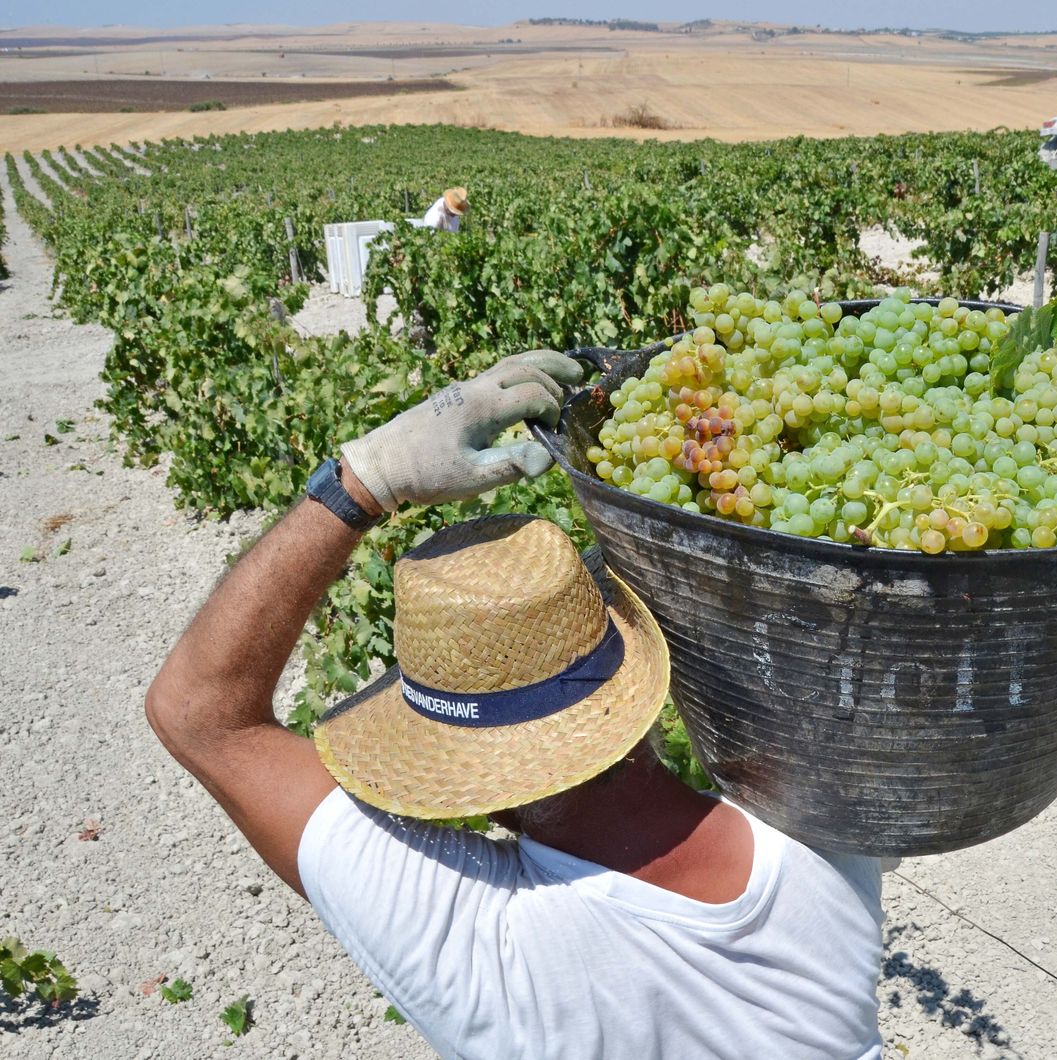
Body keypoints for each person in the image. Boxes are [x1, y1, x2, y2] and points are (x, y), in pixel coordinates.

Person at [143, 351, 886, 1059]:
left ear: (458, 780)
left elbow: (198, 713)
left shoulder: (475, 943)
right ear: (634, 673)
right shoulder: (832, 835)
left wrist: (363, 482)